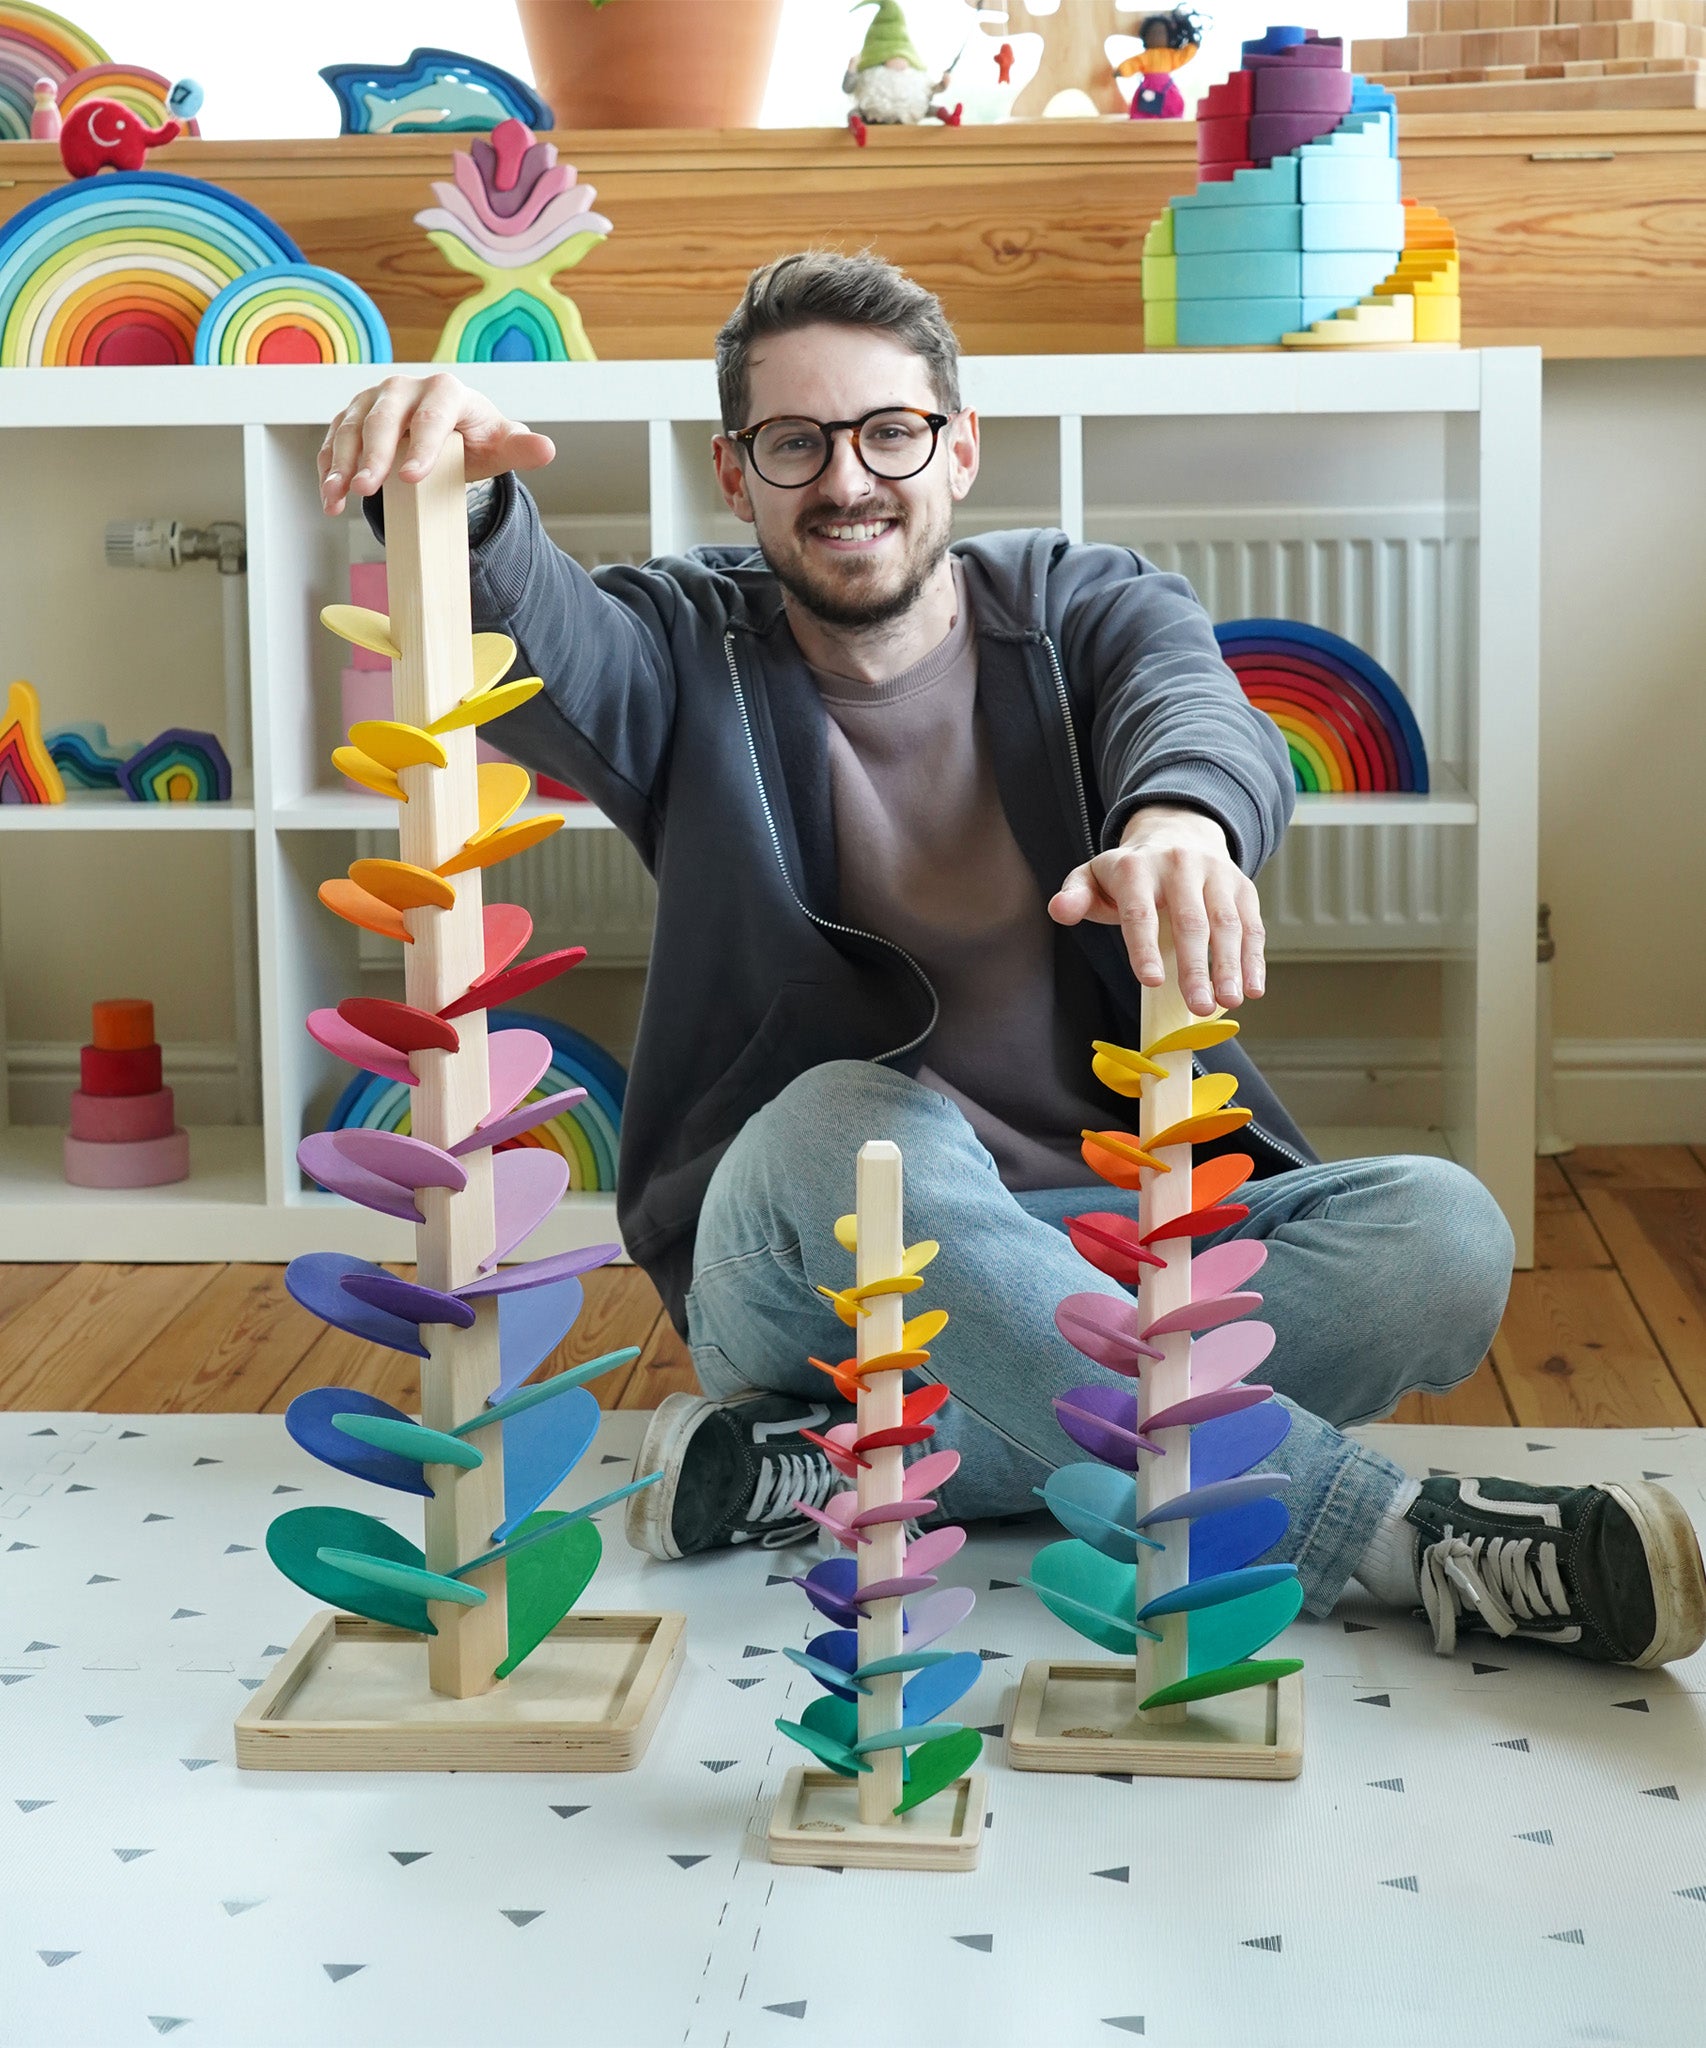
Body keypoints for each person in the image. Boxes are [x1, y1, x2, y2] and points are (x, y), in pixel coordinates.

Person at [320, 250, 1706, 1670]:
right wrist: (461, 497)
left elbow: (1194, 705)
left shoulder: (1080, 602)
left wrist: (1177, 823)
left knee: (1442, 1236)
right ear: (737, 477)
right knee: (855, 1119)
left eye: (889, 432)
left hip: (1102, 1233)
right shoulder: (681, 650)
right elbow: (539, 630)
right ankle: (1401, 1539)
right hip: (805, 1260)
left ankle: (835, 1463)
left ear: (957, 449)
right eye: (795, 444)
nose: (847, 479)